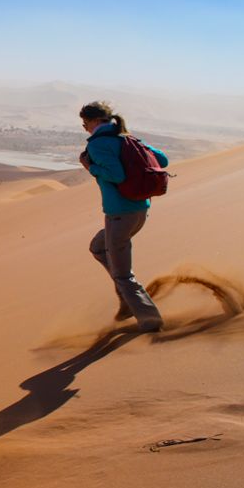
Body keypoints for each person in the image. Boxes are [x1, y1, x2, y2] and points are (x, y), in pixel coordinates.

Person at [79, 101, 169, 332]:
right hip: (139, 211)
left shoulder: (98, 144)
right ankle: (129, 302)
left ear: (96, 121)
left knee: (123, 274)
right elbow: (163, 160)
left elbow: (116, 175)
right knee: (98, 247)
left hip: (120, 214)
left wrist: (91, 167)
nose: (84, 127)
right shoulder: (127, 138)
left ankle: (150, 319)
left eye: (85, 122)